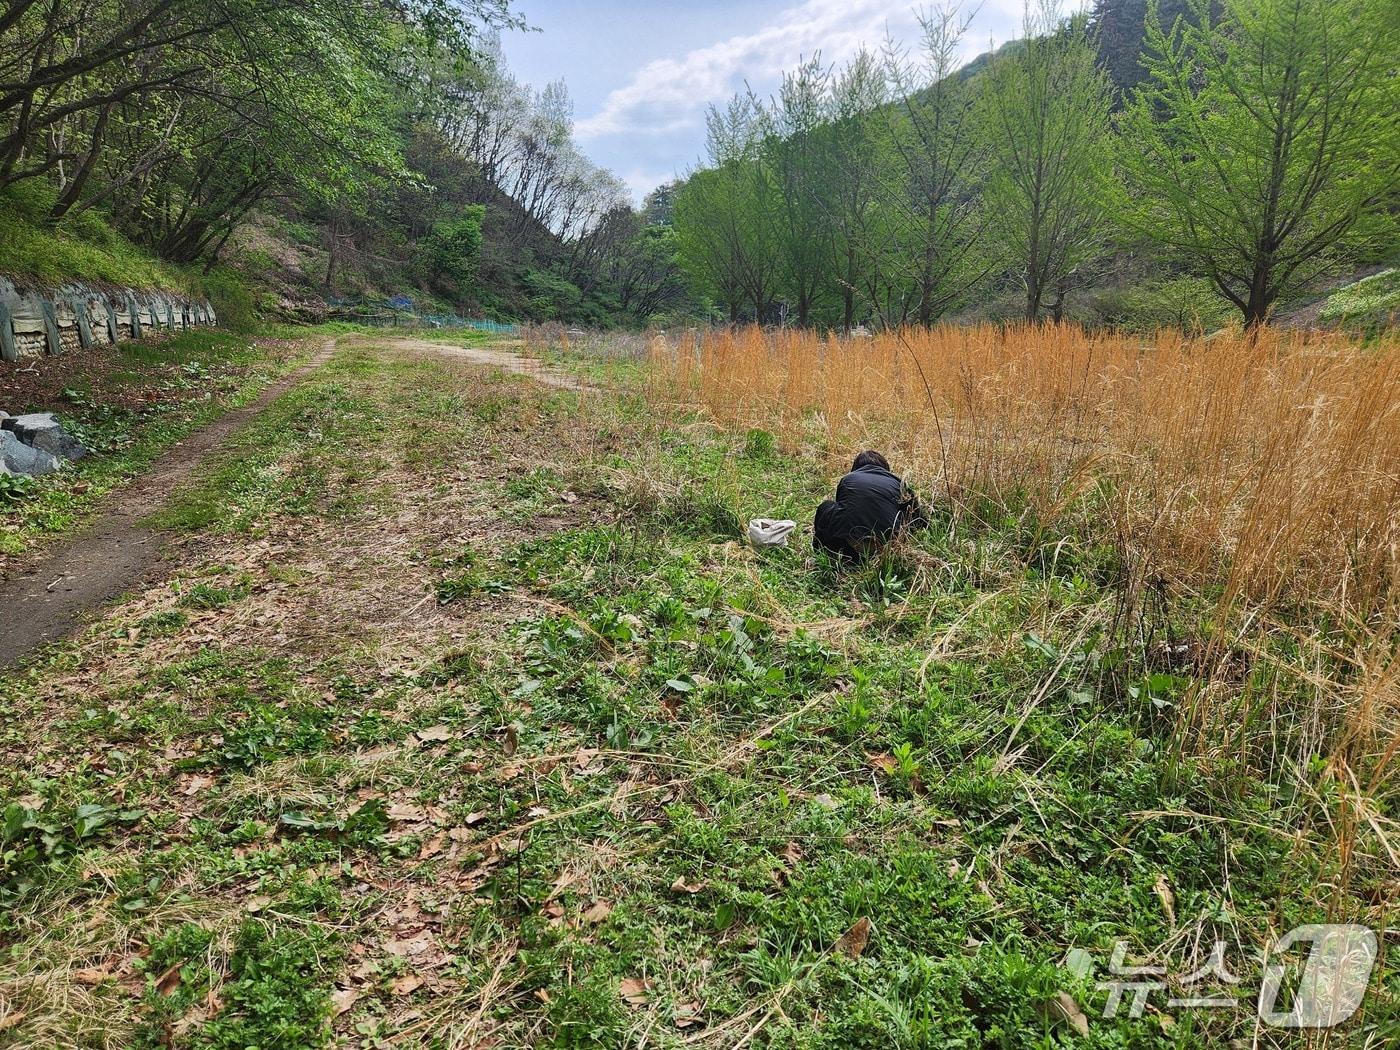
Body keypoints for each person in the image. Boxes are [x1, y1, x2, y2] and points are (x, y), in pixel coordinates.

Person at [813, 450, 928, 561]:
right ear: (885, 467)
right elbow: (919, 521)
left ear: (856, 467)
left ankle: (822, 553)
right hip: (890, 548)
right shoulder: (898, 482)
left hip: (851, 545)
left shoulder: (848, 479)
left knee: (826, 506)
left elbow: (843, 512)